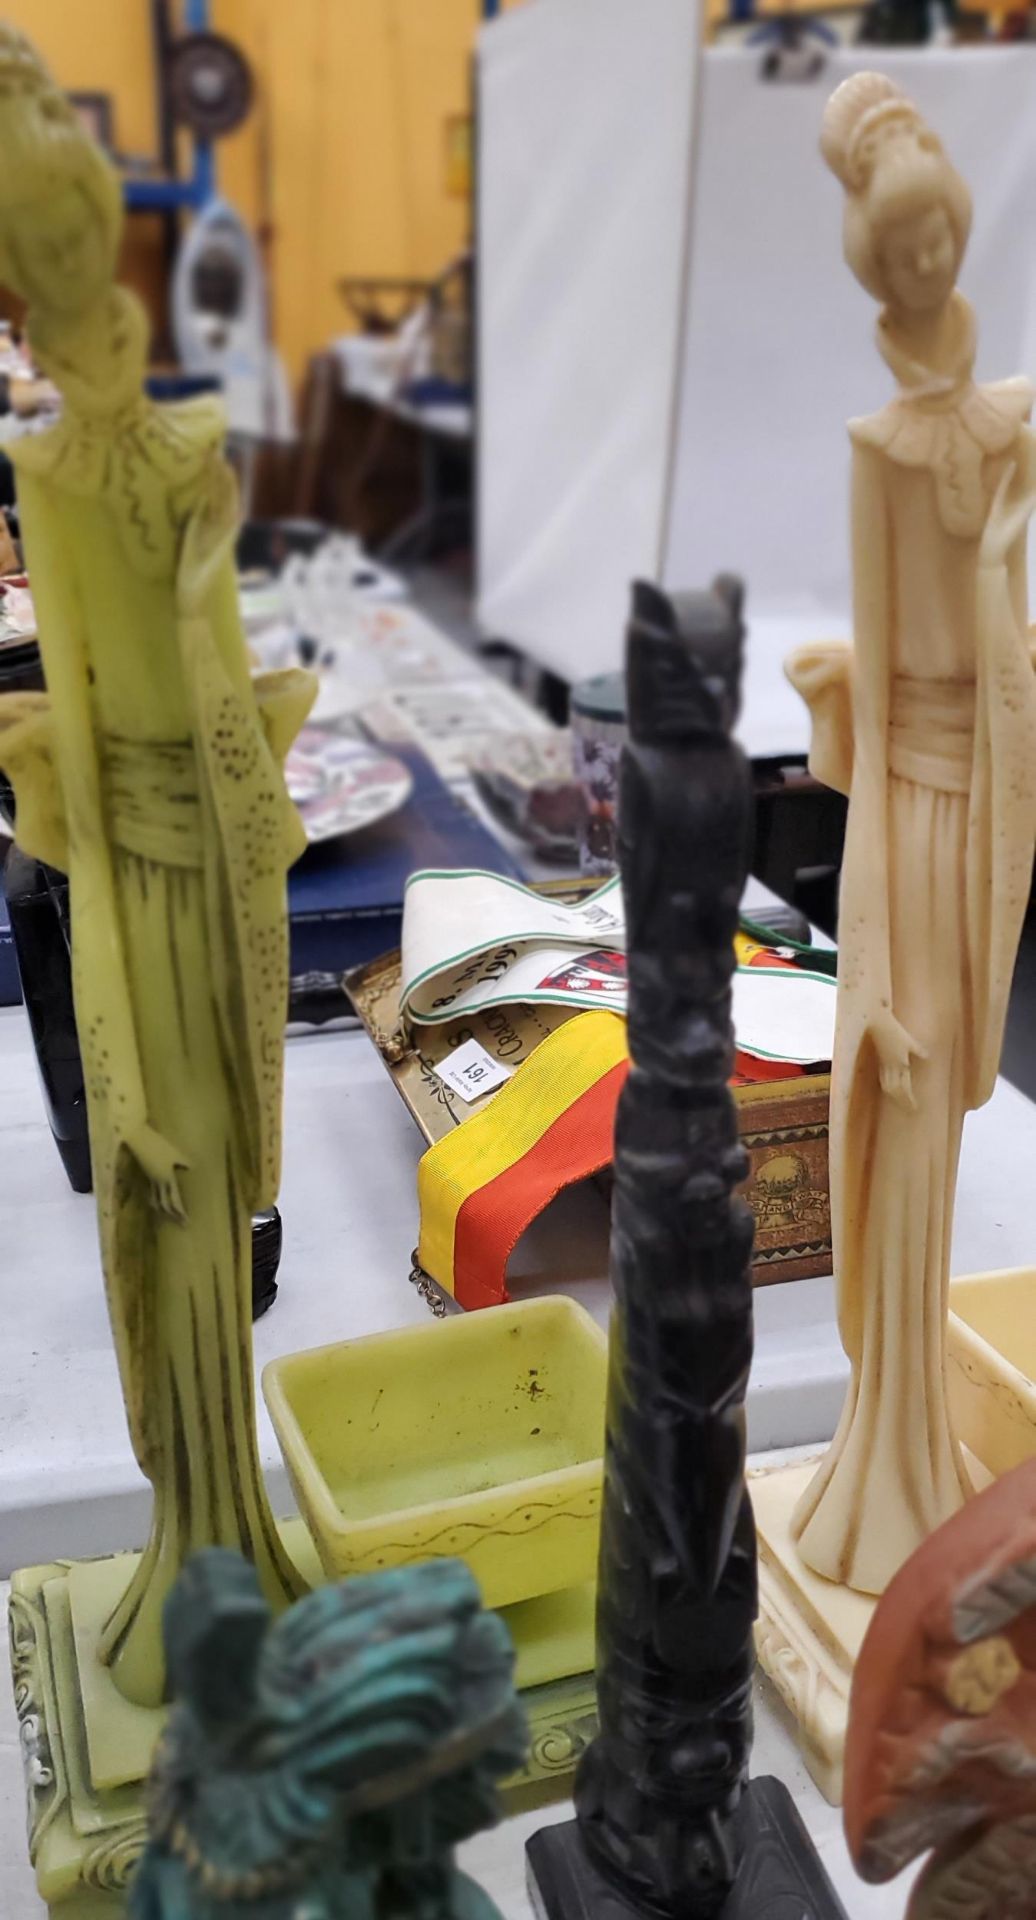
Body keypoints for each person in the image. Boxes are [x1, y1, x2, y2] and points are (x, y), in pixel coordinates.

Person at [0, 27, 314, 1703]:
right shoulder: (45, 472)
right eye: (23, 257)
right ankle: (191, 1535)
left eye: (68, 239)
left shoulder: (190, 452)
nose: (56, 277)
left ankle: (238, 1541)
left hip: (212, 865)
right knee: (164, 1199)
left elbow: (220, 711)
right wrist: (108, 1065)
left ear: (102, 233)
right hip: (127, 880)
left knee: (233, 1197)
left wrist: (206, 578)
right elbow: (98, 755)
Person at [788, 73, 1036, 1595]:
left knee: (948, 1126)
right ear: (874, 271)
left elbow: (1008, 625)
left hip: (989, 806)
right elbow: (878, 705)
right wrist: (863, 955)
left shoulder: (1009, 425)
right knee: (910, 1086)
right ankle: (877, 1464)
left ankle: (922, 1454)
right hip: (915, 817)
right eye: (903, 251)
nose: (929, 265)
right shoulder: (882, 450)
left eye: (941, 236)